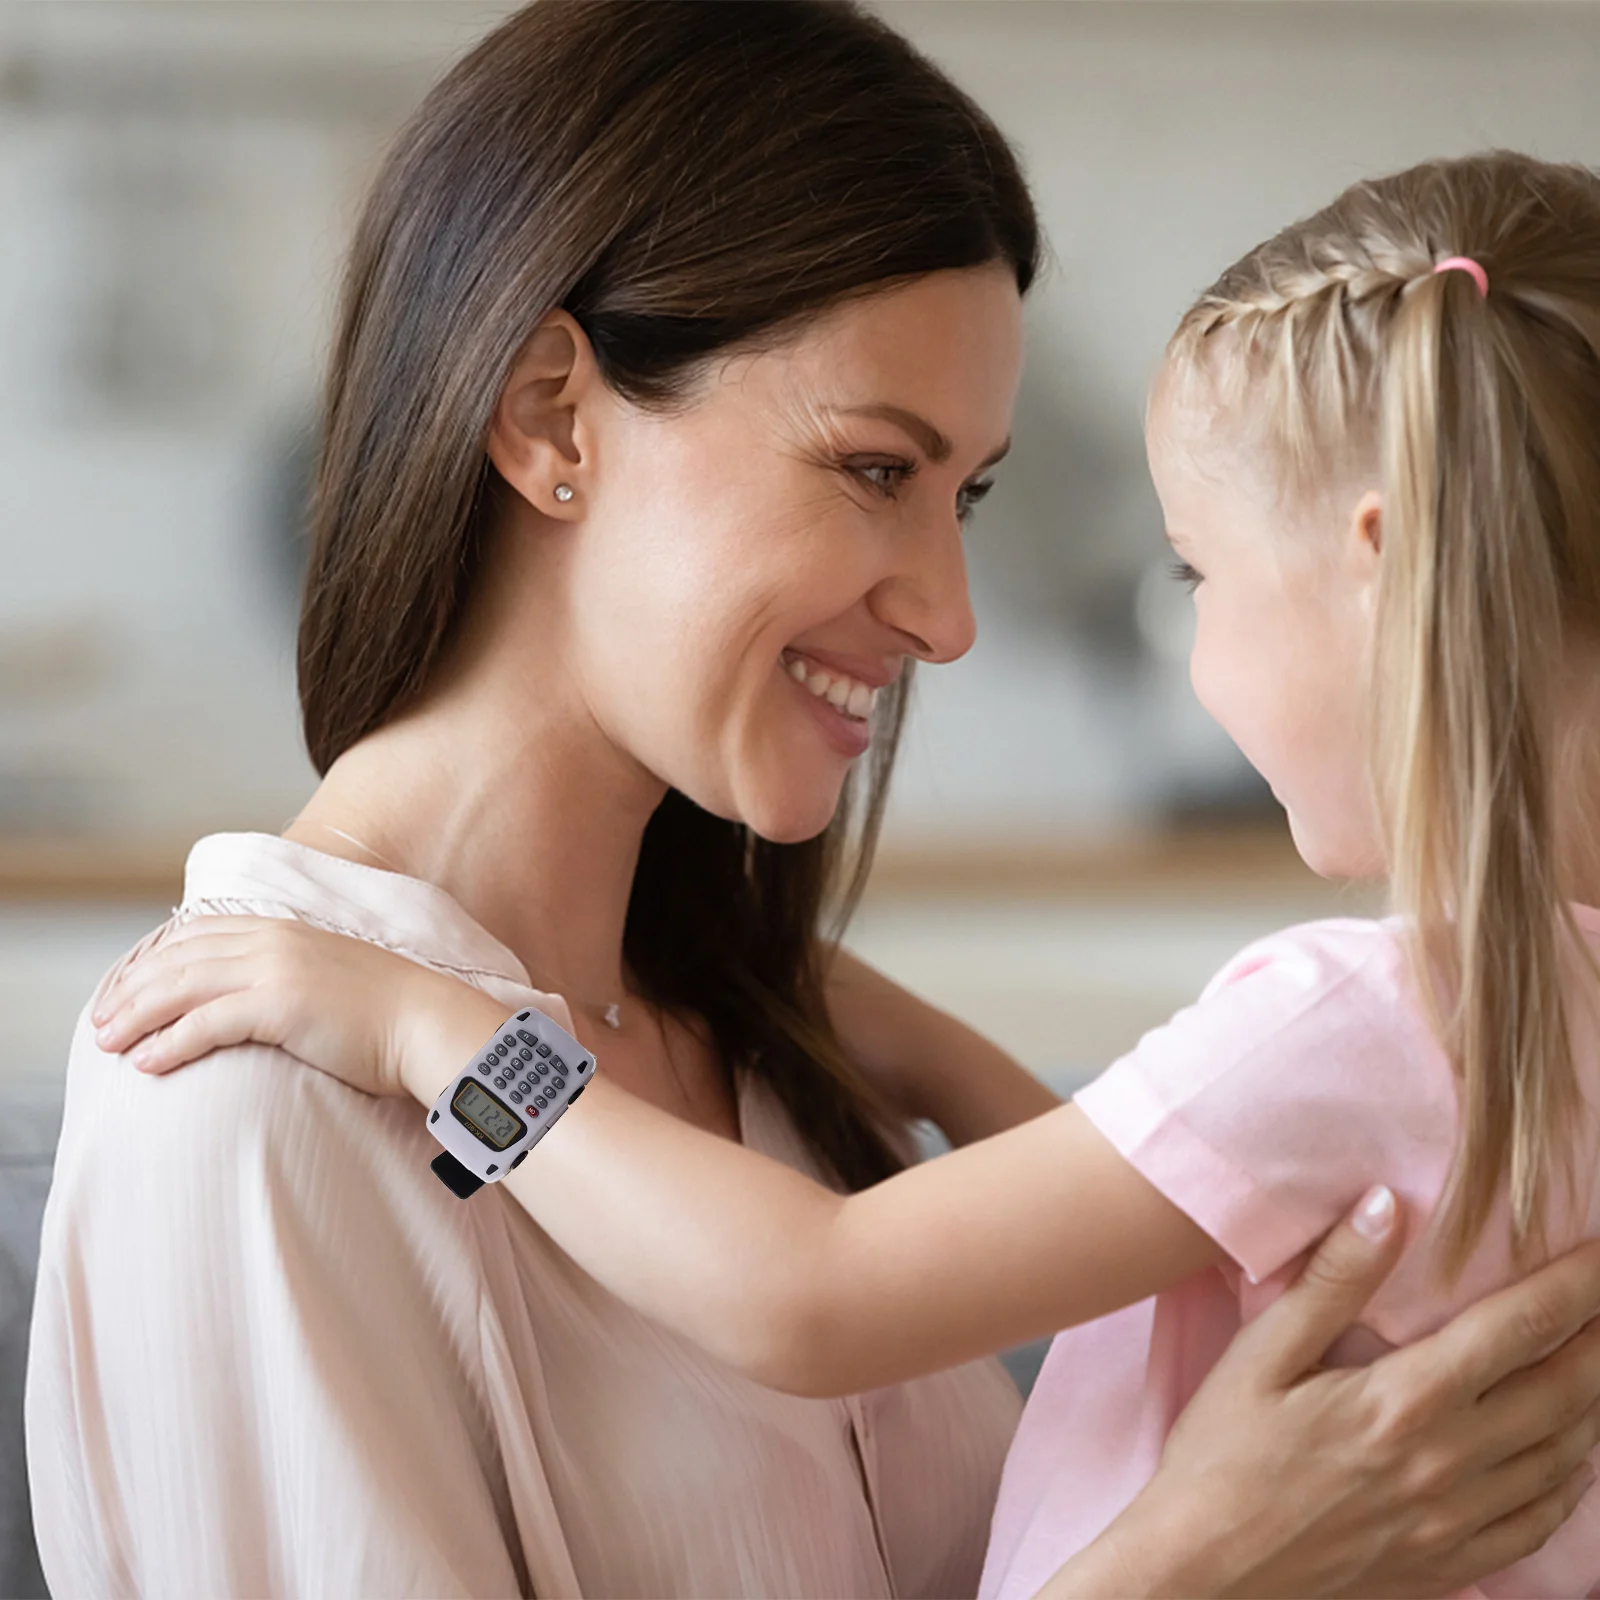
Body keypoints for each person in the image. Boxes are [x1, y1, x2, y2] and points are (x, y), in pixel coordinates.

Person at [38, 5, 1600, 1590]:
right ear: (551, 417)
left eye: (966, 496)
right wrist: (1190, 1569)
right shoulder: (244, 1104)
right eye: (876, 470)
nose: (951, 619)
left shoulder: (778, 1055)